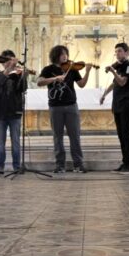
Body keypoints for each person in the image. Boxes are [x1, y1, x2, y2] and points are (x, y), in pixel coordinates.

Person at [38, 45, 92, 173]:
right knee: (58, 137)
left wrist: (88, 71)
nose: (65, 56)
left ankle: (78, 164)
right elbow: (40, 82)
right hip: (55, 107)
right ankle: (60, 165)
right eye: (62, 54)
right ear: (56, 55)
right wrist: (55, 78)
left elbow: (82, 85)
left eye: (66, 54)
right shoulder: (48, 69)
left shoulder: (72, 69)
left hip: (71, 106)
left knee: (75, 136)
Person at [101, 43, 129, 174]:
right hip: (117, 104)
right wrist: (105, 94)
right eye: (115, 51)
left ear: (127, 53)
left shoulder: (128, 66)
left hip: (126, 104)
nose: (117, 53)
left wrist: (112, 71)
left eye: (120, 51)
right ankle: (124, 162)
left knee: (127, 135)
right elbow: (115, 83)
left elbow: (122, 81)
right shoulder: (120, 67)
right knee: (121, 135)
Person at [0, 50, 28, 173]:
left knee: (16, 142)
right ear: (2, 62)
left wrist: (24, 76)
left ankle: (17, 166)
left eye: (11, 60)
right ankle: (0, 166)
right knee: (0, 142)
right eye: (6, 60)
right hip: (0, 112)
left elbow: (22, 89)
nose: (8, 63)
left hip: (15, 112)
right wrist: (8, 70)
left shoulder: (18, 74)